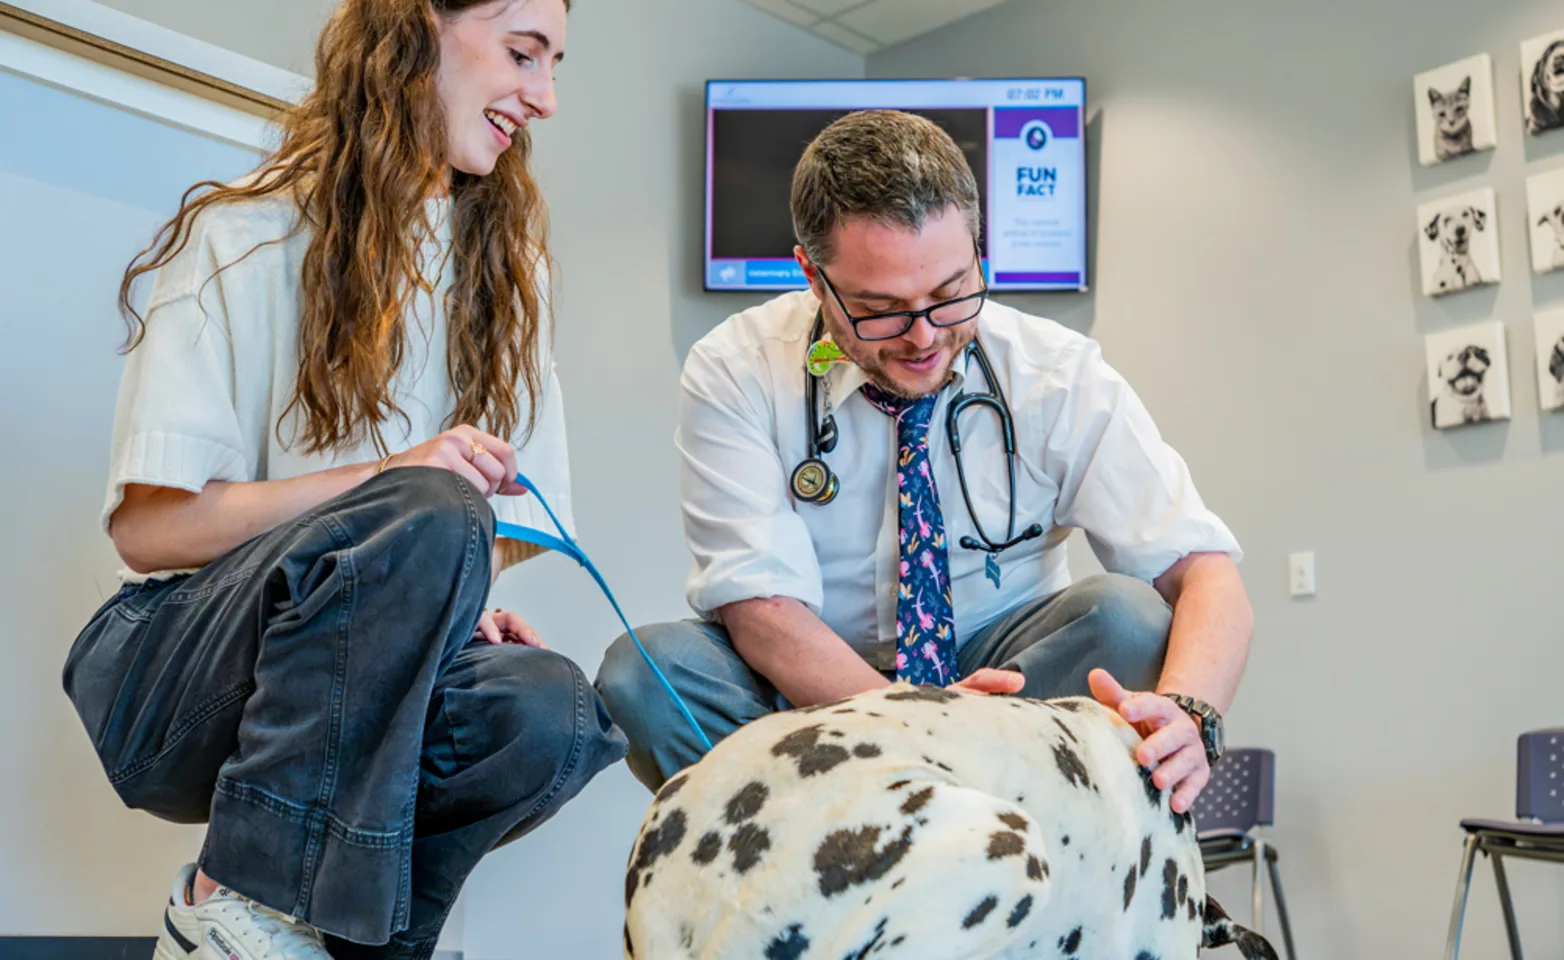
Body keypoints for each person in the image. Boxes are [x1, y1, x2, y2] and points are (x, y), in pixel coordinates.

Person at [60, 2, 625, 958]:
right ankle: (230, 899)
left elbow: (494, 529)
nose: (546, 98)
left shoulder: (507, 276)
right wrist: (392, 492)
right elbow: (149, 533)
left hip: (364, 682)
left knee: (550, 711)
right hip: (170, 682)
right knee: (428, 507)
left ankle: (352, 946)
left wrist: (439, 594)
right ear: (416, 30)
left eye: (554, 65)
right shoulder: (245, 233)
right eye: (522, 54)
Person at [597, 110, 1253, 814]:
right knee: (647, 673)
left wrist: (1192, 714)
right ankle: (822, 840)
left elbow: (1204, 573)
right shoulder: (738, 368)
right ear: (813, 276)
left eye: (949, 295)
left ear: (977, 251)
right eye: (880, 309)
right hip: (813, 696)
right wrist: (914, 726)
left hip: (1010, 690)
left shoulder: (1055, 374)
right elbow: (762, 610)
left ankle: (955, 813)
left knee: (1129, 617)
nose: (924, 337)